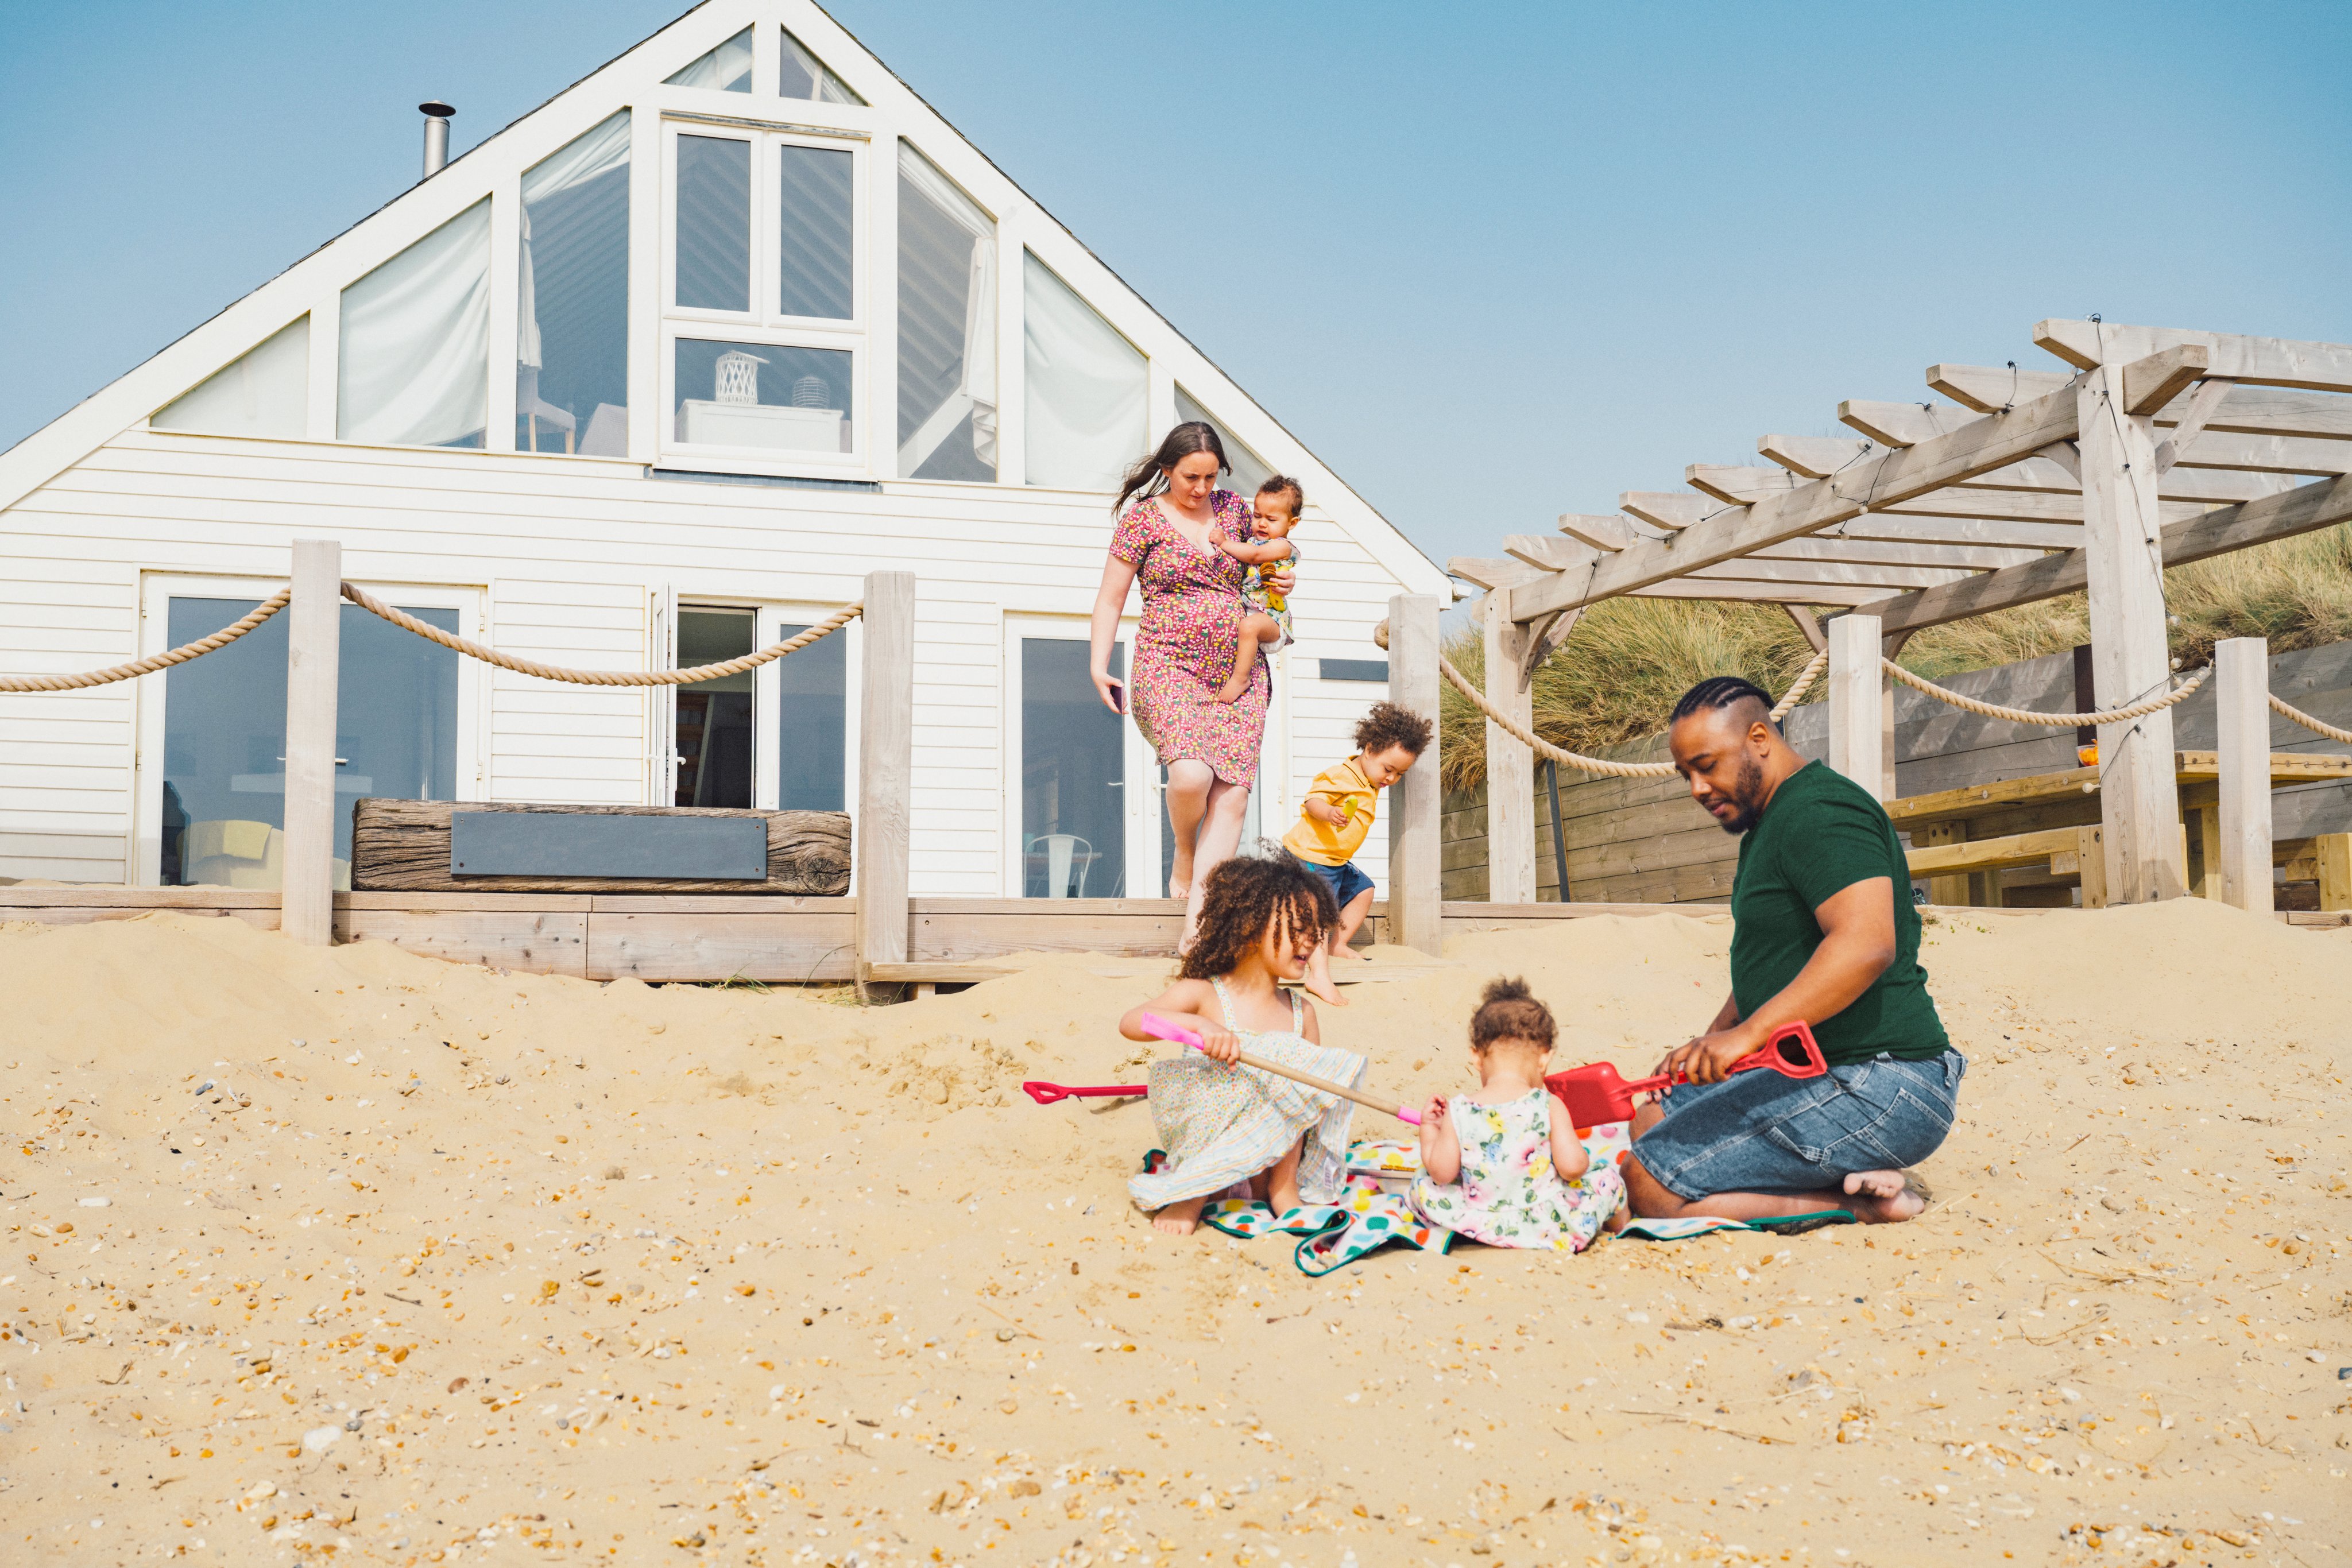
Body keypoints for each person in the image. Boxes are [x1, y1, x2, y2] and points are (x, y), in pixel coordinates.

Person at [1622, 676, 1965, 1226]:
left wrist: (1747, 1036)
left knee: (1651, 1186)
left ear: (1759, 737)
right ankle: (1849, 1171)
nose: (1696, 787)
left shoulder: (1820, 811)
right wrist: (1713, 1042)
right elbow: (1778, 961)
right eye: (1686, 772)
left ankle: (1863, 1204)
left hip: (1882, 1079)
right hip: (1816, 1069)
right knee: (1651, 1120)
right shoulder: (1772, 819)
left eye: (1707, 764)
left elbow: (1866, 944)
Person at [1089, 424, 1297, 948]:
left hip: (1238, 672)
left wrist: (1285, 574)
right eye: (1190, 477)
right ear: (1166, 469)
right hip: (1167, 662)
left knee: (1229, 799)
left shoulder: (1233, 508)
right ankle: (1183, 847)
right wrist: (1098, 663)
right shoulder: (1141, 522)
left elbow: (1275, 547)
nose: (1202, 488)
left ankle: (1198, 929)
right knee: (1189, 775)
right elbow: (1112, 598)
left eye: (1210, 476)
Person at [1120, 854, 1359, 1236]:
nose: (1310, 942)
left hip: (1266, 1165)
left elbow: (1307, 1103)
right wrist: (1197, 1025)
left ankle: (1285, 1193)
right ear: (1251, 926)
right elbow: (1133, 1022)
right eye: (1299, 928)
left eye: (1316, 933)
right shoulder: (1205, 994)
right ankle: (1191, 1195)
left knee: (1301, 1086)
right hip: (1209, 1157)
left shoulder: (1303, 1012)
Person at [1410, 977, 1628, 1252]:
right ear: (1544, 1060)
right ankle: (1622, 1230)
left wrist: (1430, 1131)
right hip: (1547, 1223)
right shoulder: (1548, 1104)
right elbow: (1573, 1167)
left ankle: (1471, 1236)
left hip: (1480, 1219)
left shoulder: (1459, 1109)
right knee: (1608, 1179)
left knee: (1423, 1181)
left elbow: (1442, 1173)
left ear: (1477, 1058)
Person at [1282, 700, 1431, 1005]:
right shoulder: (1343, 775)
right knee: (1318, 914)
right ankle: (1319, 975)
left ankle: (1339, 944)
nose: (1391, 779)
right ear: (1370, 748)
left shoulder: (1369, 782)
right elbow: (1313, 801)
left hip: (1335, 862)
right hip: (1310, 857)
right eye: (1388, 769)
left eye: (1400, 774)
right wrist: (1329, 812)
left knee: (1364, 889)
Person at [1205, 476, 1305, 704]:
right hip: (1254, 612)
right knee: (1246, 627)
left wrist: (1223, 542)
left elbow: (1254, 556)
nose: (1262, 524)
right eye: (1257, 515)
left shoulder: (1281, 545)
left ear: (1292, 523)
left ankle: (1241, 679)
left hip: (1271, 618)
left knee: (1249, 626)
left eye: (1271, 519)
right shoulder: (1251, 540)